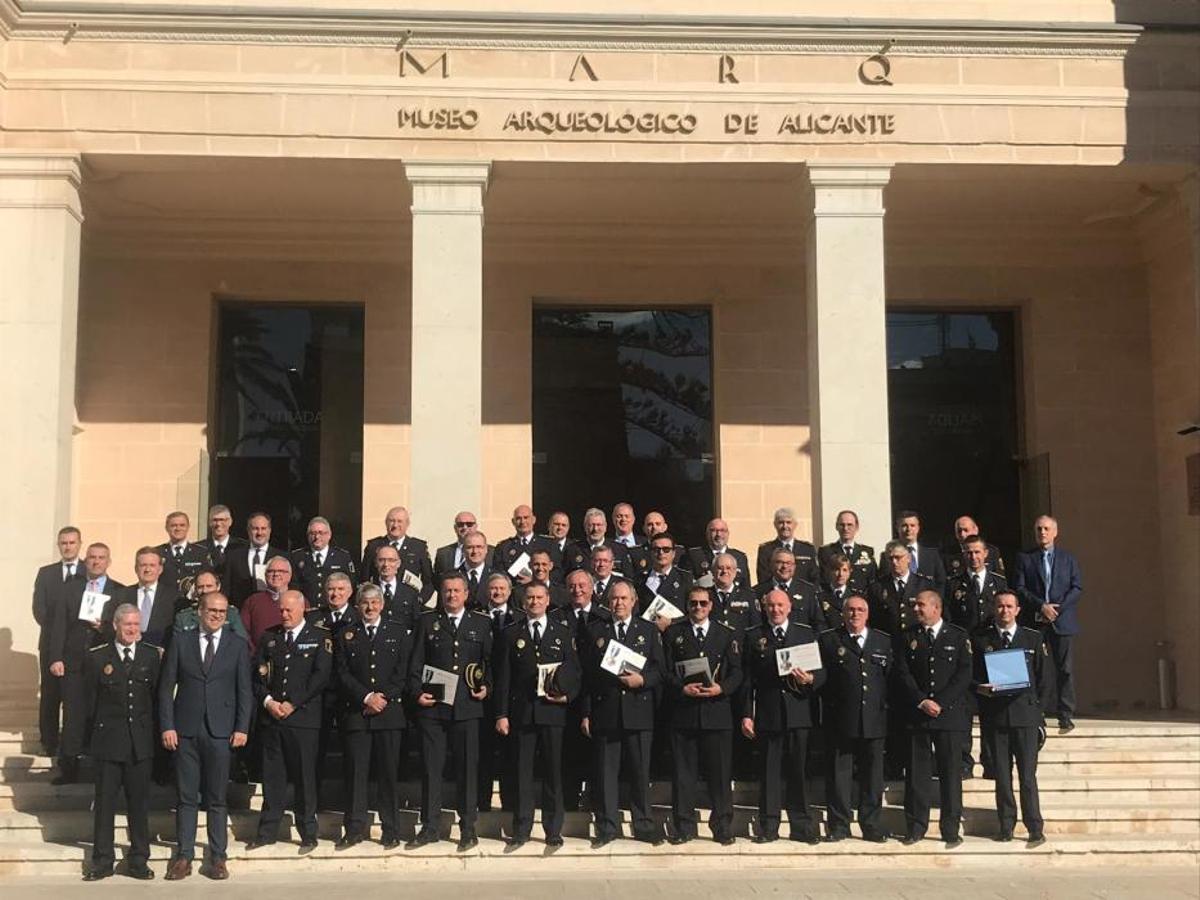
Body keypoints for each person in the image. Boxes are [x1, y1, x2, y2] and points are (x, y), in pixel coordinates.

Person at [160, 592, 252, 881]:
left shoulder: (237, 645)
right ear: (199, 611)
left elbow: (244, 691)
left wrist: (242, 727)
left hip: (221, 731)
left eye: (222, 612)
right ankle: (184, 856)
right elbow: (166, 687)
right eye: (212, 610)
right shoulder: (181, 641)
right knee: (186, 797)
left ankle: (218, 857)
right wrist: (167, 725)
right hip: (185, 730)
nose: (216, 615)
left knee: (217, 798)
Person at [405, 572, 493, 852]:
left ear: (466, 593)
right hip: (434, 709)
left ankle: (468, 828)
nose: (452, 595)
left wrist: (487, 687)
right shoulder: (427, 621)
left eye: (457, 591)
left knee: (467, 770)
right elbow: (415, 662)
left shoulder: (481, 623)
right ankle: (430, 827)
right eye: (447, 591)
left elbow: (490, 663)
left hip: (467, 708)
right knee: (432, 769)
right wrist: (416, 692)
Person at [494, 582, 581, 848]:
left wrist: (568, 697)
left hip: (553, 712)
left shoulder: (562, 632)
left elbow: (575, 671)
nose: (534, 602)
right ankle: (521, 829)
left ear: (548, 600)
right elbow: (503, 678)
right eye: (530, 597)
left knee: (553, 772)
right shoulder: (511, 634)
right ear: (523, 602)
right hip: (522, 713)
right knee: (523, 774)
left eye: (539, 597)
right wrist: (501, 714)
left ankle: (553, 829)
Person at [580, 580, 665, 848]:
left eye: (623, 598)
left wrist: (643, 680)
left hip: (639, 711)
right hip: (606, 711)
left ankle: (644, 825)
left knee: (640, 773)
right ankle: (607, 826)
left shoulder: (648, 630)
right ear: (608, 602)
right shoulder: (595, 630)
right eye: (614, 599)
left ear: (634, 601)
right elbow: (587, 676)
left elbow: (660, 670)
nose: (619, 603)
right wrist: (586, 713)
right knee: (606, 773)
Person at [247, 590, 332, 852]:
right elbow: (257, 676)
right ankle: (267, 832)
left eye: (289, 610)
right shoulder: (269, 637)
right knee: (273, 778)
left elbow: (320, 677)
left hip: (303, 720)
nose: (284, 614)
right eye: (281, 610)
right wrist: (268, 702)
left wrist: (293, 703)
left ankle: (308, 832)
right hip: (273, 719)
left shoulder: (319, 637)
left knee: (304, 777)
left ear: (302, 609)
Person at [739, 588, 825, 844]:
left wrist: (811, 679)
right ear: (764, 608)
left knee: (799, 772)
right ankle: (769, 826)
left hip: (799, 713)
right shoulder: (754, 636)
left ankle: (802, 826)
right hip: (769, 714)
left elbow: (822, 672)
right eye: (771, 606)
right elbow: (747, 680)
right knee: (769, 773)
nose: (775, 610)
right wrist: (747, 714)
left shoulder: (805, 633)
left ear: (789, 607)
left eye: (780, 605)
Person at [82, 603, 161, 881]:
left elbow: (156, 699)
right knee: (104, 805)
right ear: (115, 625)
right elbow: (88, 703)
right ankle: (102, 861)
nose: (132, 629)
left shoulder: (151, 656)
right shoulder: (97, 657)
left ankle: (139, 860)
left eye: (136, 624)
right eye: (127, 624)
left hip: (140, 744)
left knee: (139, 805)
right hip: (108, 743)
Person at [662, 585, 743, 845]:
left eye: (703, 603)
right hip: (684, 714)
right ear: (687, 606)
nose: (698, 607)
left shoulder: (725, 633)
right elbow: (664, 671)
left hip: (716, 714)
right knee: (683, 776)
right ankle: (684, 827)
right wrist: (681, 688)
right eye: (693, 603)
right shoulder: (674, 633)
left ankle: (722, 826)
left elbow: (737, 672)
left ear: (711, 606)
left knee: (720, 776)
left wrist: (722, 688)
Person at [334, 583, 411, 850]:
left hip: (389, 714)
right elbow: (342, 673)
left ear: (382, 605)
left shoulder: (398, 632)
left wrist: (383, 697)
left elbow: (402, 671)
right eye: (365, 603)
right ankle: (354, 829)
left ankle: (391, 830)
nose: (370, 607)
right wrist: (366, 698)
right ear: (357, 606)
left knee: (388, 775)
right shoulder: (346, 634)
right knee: (356, 774)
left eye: (374, 602)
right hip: (357, 713)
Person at [895, 590, 972, 847]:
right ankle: (916, 826)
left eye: (921, 605)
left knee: (950, 774)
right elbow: (902, 672)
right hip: (918, 714)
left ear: (936, 608)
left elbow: (964, 674)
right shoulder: (907, 636)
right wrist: (921, 700)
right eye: (915, 605)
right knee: (917, 774)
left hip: (948, 715)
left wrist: (941, 702)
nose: (916, 609)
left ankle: (950, 829)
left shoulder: (958, 636)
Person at [971, 590, 1047, 847]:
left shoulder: (1033, 638)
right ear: (994, 609)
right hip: (996, 718)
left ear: (1017, 610)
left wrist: (1038, 715)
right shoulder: (982, 640)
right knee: (1002, 777)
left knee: (1027, 777)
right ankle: (1006, 825)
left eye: (1009, 606)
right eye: (1000, 606)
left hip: (1025, 717)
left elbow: (1044, 680)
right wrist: (980, 688)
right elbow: (971, 675)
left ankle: (1034, 827)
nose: (1004, 610)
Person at [819, 595, 891, 843]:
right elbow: (822, 676)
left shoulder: (882, 641)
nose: (855, 614)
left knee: (873, 776)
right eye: (850, 609)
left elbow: (889, 678)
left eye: (860, 610)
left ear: (867, 614)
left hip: (874, 718)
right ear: (843, 613)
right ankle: (839, 825)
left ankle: (871, 825)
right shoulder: (829, 640)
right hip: (841, 719)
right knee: (839, 775)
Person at [49, 541, 121, 784]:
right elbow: (58, 625)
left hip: (104, 663)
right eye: (92, 557)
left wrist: (103, 627)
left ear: (108, 561)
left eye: (101, 557)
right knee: (72, 714)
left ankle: (101, 768)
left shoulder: (119, 591)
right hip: (74, 661)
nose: (96, 561)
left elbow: (123, 630)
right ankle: (69, 768)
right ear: (85, 560)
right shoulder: (70, 589)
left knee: (102, 714)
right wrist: (56, 657)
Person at [1013, 515, 1083, 733]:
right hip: (1036, 621)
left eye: (1046, 529)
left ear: (1055, 532)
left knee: (1065, 669)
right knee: (1034, 668)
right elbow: (1020, 587)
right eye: (1039, 529)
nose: (1042, 532)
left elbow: (1076, 587)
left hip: (1062, 622)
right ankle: (1035, 712)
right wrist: (1041, 606)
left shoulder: (1068, 559)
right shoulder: (1025, 558)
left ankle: (1065, 714)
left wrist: (1057, 609)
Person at [552, 568, 610, 810]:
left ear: (592, 588)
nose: (577, 590)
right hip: (566, 698)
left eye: (582, 585)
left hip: (597, 695)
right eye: (572, 586)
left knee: (599, 754)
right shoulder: (556, 617)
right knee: (568, 753)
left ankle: (596, 801)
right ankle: (569, 802)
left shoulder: (605, 617)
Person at [32, 525, 84, 757]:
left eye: (72, 542)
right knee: (50, 694)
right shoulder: (46, 573)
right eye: (64, 543)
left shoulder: (88, 571)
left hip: (79, 646)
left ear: (79, 544)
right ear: (58, 545)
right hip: (50, 644)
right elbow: (39, 609)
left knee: (77, 696)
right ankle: (49, 741)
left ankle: (77, 743)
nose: (68, 547)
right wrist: (58, 634)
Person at [106, 546, 178, 649]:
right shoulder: (121, 595)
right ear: (136, 569)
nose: (147, 569)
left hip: (161, 653)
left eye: (152, 565)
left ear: (160, 569)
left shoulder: (173, 597)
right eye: (143, 565)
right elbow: (112, 626)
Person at [359, 505, 434, 600]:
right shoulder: (373, 546)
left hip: (408, 602)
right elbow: (364, 579)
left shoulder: (418, 547)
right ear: (386, 523)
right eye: (392, 521)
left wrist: (419, 600)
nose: (395, 525)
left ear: (407, 524)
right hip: (380, 601)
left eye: (399, 521)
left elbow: (429, 582)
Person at [866, 540, 936, 638]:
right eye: (890, 558)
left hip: (917, 639)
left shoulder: (924, 585)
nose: (894, 562)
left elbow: (932, 615)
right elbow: (873, 619)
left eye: (898, 557)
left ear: (909, 558)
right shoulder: (878, 587)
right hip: (888, 640)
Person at [289, 516, 357, 608]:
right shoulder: (297, 557)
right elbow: (293, 585)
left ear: (329, 535)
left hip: (333, 609)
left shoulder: (342, 557)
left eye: (321, 533)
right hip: (307, 610)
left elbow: (351, 584)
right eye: (313, 533)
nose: (317, 537)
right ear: (308, 536)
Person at [946, 535, 1008, 632]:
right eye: (969, 553)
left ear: (985, 553)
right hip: (965, 636)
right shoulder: (954, 583)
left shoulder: (999, 582)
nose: (973, 557)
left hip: (991, 636)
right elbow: (948, 615)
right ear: (963, 554)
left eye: (977, 552)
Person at [226, 512, 284, 607]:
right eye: (255, 529)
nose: (259, 533)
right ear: (248, 530)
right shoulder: (234, 556)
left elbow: (291, 587)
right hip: (241, 610)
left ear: (269, 530)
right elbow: (226, 588)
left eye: (263, 528)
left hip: (271, 610)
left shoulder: (282, 557)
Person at [171, 569, 249, 640]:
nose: (204, 590)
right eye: (200, 587)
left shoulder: (231, 614)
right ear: (195, 589)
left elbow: (241, 642)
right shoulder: (183, 618)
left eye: (209, 586)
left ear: (218, 587)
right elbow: (178, 646)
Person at [753, 548, 821, 630]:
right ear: (771, 565)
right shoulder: (757, 592)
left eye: (789, 563)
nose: (784, 566)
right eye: (779, 562)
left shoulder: (808, 591)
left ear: (794, 567)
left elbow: (818, 623)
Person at [636, 532, 694, 625]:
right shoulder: (639, 579)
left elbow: (693, 611)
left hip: (677, 631)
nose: (661, 553)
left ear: (674, 553)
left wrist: (671, 622)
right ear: (650, 553)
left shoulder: (685, 578)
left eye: (666, 549)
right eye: (656, 549)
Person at [239, 557, 292, 654]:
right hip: (258, 657)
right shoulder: (252, 601)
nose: (276, 574)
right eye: (271, 571)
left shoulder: (299, 600)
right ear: (265, 575)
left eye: (281, 571)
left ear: (289, 576)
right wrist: (255, 654)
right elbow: (243, 632)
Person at [756, 507, 819, 586]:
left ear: (795, 525)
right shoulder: (766, 550)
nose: (785, 526)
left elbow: (814, 577)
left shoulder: (807, 549)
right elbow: (763, 578)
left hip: (802, 592)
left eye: (788, 522)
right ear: (775, 525)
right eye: (781, 523)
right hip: (775, 591)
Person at [817, 509, 878, 588]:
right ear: (836, 526)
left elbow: (873, 579)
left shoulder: (867, 552)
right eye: (842, 525)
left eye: (850, 525)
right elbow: (823, 579)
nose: (845, 528)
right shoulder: (826, 552)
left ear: (857, 527)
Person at [888, 510, 947, 591]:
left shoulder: (932, 555)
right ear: (897, 528)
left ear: (918, 528)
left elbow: (941, 583)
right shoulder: (888, 556)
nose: (909, 529)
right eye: (904, 525)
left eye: (912, 525)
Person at [685, 518, 750, 587]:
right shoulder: (694, 556)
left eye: (722, 530)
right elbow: (686, 585)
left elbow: (746, 588)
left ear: (728, 534)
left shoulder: (740, 558)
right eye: (714, 530)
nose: (718, 534)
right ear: (707, 534)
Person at [371, 543, 421, 631]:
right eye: (381, 560)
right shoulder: (368, 591)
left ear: (398, 563)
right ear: (376, 563)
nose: (386, 564)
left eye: (391, 560)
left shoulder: (410, 592)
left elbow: (416, 624)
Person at [157, 511, 210, 594]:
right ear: (166, 528)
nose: (178, 528)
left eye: (182, 525)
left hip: (191, 600)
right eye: (173, 525)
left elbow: (208, 579)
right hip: (165, 599)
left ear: (188, 527)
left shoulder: (201, 553)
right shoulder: (157, 553)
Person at [707, 552, 760, 633]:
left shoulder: (749, 596)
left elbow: (756, 625)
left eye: (728, 568)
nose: (724, 571)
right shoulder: (705, 595)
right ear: (713, 571)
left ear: (735, 572)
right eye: (720, 568)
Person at [493, 504, 552, 574]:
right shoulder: (503, 547)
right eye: (518, 518)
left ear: (533, 520)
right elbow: (498, 574)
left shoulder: (548, 544)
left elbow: (557, 573)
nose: (522, 522)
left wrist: (534, 579)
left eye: (526, 518)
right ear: (513, 522)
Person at [944, 515, 1007, 580]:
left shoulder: (992, 551)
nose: (962, 534)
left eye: (966, 530)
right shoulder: (947, 554)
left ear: (976, 530)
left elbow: (1000, 578)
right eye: (959, 531)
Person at [198, 504, 247, 587]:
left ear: (230, 522)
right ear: (209, 523)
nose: (218, 524)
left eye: (222, 520)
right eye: (215, 520)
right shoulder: (199, 548)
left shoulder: (243, 547)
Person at [434, 510, 494, 575]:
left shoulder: (492, 552)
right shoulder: (443, 554)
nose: (465, 527)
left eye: (469, 524)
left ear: (476, 526)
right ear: (455, 528)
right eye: (460, 525)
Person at [581, 507, 632, 578]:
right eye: (591, 525)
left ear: (605, 527)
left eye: (599, 525)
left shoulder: (620, 549)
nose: (595, 529)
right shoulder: (573, 550)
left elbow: (629, 578)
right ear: (585, 527)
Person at [544, 510, 588, 575]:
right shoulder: (541, 545)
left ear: (568, 528)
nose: (560, 528)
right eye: (556, 524)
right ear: (549, 526)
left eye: (563, 525)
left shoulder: (577, 547)